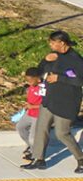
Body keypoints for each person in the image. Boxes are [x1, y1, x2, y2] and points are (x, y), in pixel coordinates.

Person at [26, 32, 83, 172]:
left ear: (62, 43)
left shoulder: (75, 60)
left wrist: (59, 78)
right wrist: (45, 60)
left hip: (66, 103)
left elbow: (79, 81)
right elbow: (39, 71)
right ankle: (38, 159)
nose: (50, 45)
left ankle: (81, 159)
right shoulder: (53, 56)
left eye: (52, 43)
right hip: (49, 100)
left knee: (62, 133)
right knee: (41, 129)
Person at [15, 66, 45, 164]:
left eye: (31, 80)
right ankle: (31, 146)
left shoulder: (43, 88)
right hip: (29, 113)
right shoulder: (31, 87)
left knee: (33, 137)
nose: (29, 82)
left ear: (37, 78)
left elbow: (46, 104)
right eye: (27, 80)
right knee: (20, 127)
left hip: (38, 115)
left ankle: (34, 154)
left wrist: (34, 106)